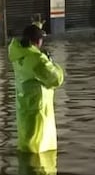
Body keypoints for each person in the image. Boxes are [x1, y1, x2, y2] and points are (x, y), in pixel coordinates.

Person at [9, 25, 65, 153]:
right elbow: (56, 79)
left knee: (27, 141)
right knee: (39, 147)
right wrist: (51, 62)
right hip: (39, 109)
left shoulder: (17, 54)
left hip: (24, 107)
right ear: (37, 41)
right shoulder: (38, 59)